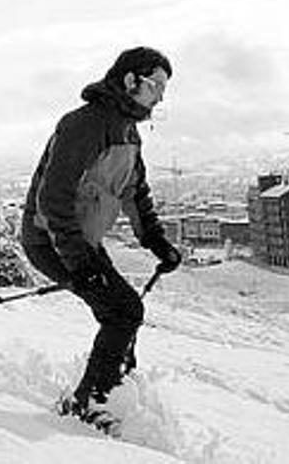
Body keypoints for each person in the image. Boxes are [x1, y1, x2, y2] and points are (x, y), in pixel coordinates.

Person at [20, 46, 182, 425]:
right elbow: (53, 197)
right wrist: (79, 262)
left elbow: (135, 192)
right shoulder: (86, 124)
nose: (160, 95)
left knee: (121, 310)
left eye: (164, 88)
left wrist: (156, 242)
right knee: (124, 310)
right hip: (50, 239)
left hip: (78, 242)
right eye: (155, 84)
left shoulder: (127, 131)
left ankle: (110, 386)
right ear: (130, 81)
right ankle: (92, 402)